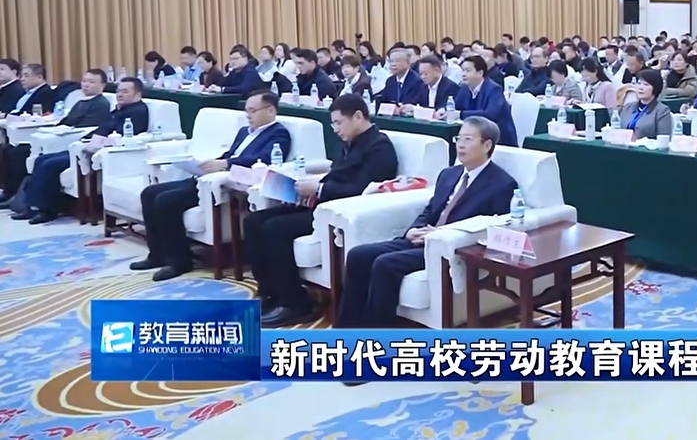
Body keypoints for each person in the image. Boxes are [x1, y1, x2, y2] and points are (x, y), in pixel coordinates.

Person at [336, 116, 516, 335]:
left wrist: (441, 233)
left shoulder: (502, 184)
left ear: (487, 145)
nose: (460, 145)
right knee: (358, 255)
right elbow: (430, 209)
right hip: (422, 238)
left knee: (384, 264)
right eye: (458, 139)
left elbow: (489, 228)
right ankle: (345, 331)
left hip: (448, 249)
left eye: (468, 139)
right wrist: (414, 229)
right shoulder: (449, 174)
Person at [247, 94, 399, 326]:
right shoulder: (348, 142)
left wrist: (319, 189)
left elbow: (363, 189)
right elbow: (336, 175)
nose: (335, 129)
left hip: (339, 212)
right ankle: (270, 292)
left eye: (338, 123)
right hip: (320, 203)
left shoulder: (380, 146)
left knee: (274, 229)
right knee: (253, 221)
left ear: (358, 116)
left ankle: (295, 303)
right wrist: (307, 187)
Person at [129, 91, 292, 282]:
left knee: (165, 201)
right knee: (149, 193)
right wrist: (211, 163)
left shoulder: (278, 133)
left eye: (253, 111)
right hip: (208, 175)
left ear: (270, 110)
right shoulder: (244, 131)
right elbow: (232, 153)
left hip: (225, 182)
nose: (248, 115)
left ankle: (178, 261)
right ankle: (157, 254)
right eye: (247, 110)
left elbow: (263, 159)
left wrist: (225, 163)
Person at [20, 76, 150, 223]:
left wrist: (91, 143)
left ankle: (46, 210)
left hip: (97, 152)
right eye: (118, 91)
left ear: (137, 94)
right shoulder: (120, 109)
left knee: (49, 165)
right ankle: (32, 206)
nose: (119, 95)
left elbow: (122, 137)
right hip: (86, 145)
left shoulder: (137, 111)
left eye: (125, 92)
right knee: (41, 159)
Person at [3, 69, 113, 211]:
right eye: (84, 81)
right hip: (62, 138)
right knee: (37, 159)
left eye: (91, 82)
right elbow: (66, 121)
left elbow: (88, 127)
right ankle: (29, 204)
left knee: (45, 163)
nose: (86, 85)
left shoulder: (101, 104)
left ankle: (44, 209)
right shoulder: (81, 102)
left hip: (74, 144)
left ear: (102, 85)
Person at [437, 55, 517, 146]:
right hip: (475, 136)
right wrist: (444, 110)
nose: (463, 74)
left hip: (499, 139)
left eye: (468, 70)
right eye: (463, 70)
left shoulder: (494, 89)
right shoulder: (464, 88)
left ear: (480, 73)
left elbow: (491, 114)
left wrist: (460, 114)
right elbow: (455, 104)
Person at [618, 70, 675, 139]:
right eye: (639, 83)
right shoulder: (628, 107)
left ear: (655, 88)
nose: (640, 87)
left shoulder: (662, 111)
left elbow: (664, 138)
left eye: (646, 84)